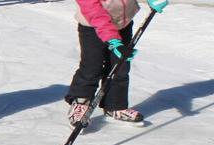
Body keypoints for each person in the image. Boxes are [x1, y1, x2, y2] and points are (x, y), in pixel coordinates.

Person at [67, 0, 166, 128]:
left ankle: (115, 106)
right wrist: (113, 40)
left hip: (123, 23)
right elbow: (94, 11)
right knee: (92, 66)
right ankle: (80, 102)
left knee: (120, 67)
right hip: (93, 25)